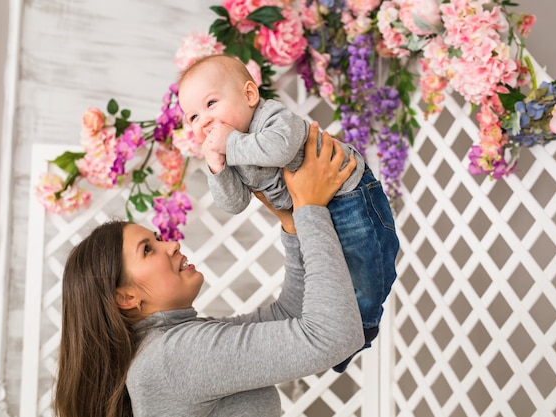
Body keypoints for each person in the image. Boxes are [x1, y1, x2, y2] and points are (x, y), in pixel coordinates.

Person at [54, 125, 364, 417]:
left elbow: (289, 314)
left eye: (158, 239)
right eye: (148, 250)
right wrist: (311, 209)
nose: (171, 245)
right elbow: (333, 337)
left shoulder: (172, 347)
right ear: (125, 296)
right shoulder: (173, 357)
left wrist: (294, 227)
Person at [178, 53, 400, 372]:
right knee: (337, 278)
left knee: (367, 265)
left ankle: (359, 330)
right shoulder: (232, 149)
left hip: (345, 191)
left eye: (211, 104)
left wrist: (232, 145)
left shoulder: (271, 117)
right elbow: (235, 203)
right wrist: (217, 167)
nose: (204, 122)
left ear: (249, 95)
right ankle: (347, 335)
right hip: (312, 210)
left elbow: (281, 148)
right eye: (193, 117)